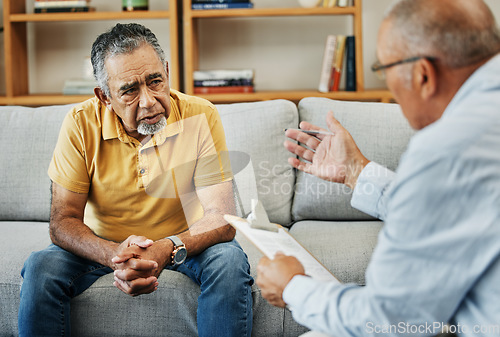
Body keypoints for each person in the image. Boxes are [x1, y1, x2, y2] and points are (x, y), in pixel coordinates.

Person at [256, 0, 500, 336]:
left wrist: (294, 288)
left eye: (384, 70)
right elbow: (456, 208)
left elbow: (391, 321)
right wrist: (356, 171)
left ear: (422, 74)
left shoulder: (448, 146)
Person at [18, 23, 253, 337]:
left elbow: (221, 219)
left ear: (167, 71)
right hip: (104, 244)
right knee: (40, 268)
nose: (149, 101)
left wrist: (165, 248)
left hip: (185, 242)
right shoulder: (79, 124)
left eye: (155, 81)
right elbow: (63, 221)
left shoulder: (201, 114)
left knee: (230, 263)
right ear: (104, 96)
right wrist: (116, 256)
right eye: (129, 90)